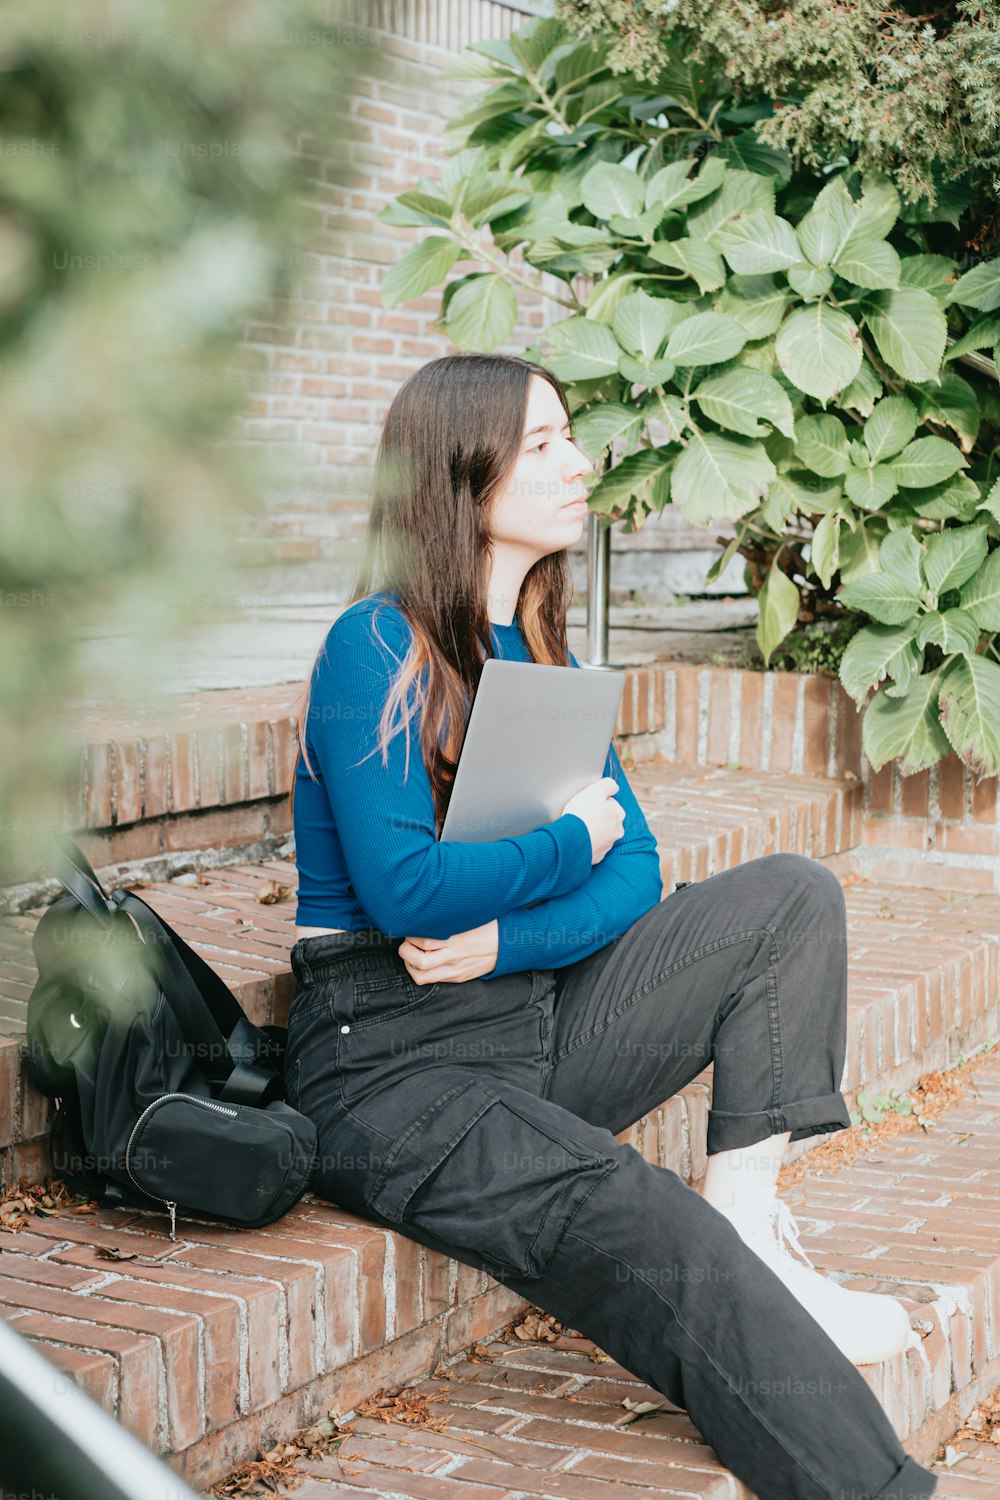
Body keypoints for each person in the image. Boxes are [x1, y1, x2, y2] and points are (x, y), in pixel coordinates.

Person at [286, 352, 937, 1500]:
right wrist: (560, 848)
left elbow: (631, 873)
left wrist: (510, 939)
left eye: (568, 435)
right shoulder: (372, 649)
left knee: (791, 894)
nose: (579, 462)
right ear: (460, 475)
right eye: (542, 444)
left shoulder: (544, 657)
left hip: (519, 1015)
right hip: (391, 1073)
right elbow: (403, 892)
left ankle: (751, 1226)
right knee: (652, 1228)